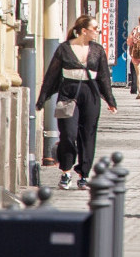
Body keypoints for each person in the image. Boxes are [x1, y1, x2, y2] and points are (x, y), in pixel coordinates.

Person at [37, 14, 119, 189]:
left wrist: (110, 100)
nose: (98, 31)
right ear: (84, 31)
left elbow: (104, 77)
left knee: (88, 134)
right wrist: (42, 98)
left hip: (91, 94)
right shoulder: (64, 49)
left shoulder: (97, 50)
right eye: (95, 29)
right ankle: (66, 172)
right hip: (68, 93)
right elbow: (51, 76)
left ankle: (84, 174)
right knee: (68, 133)